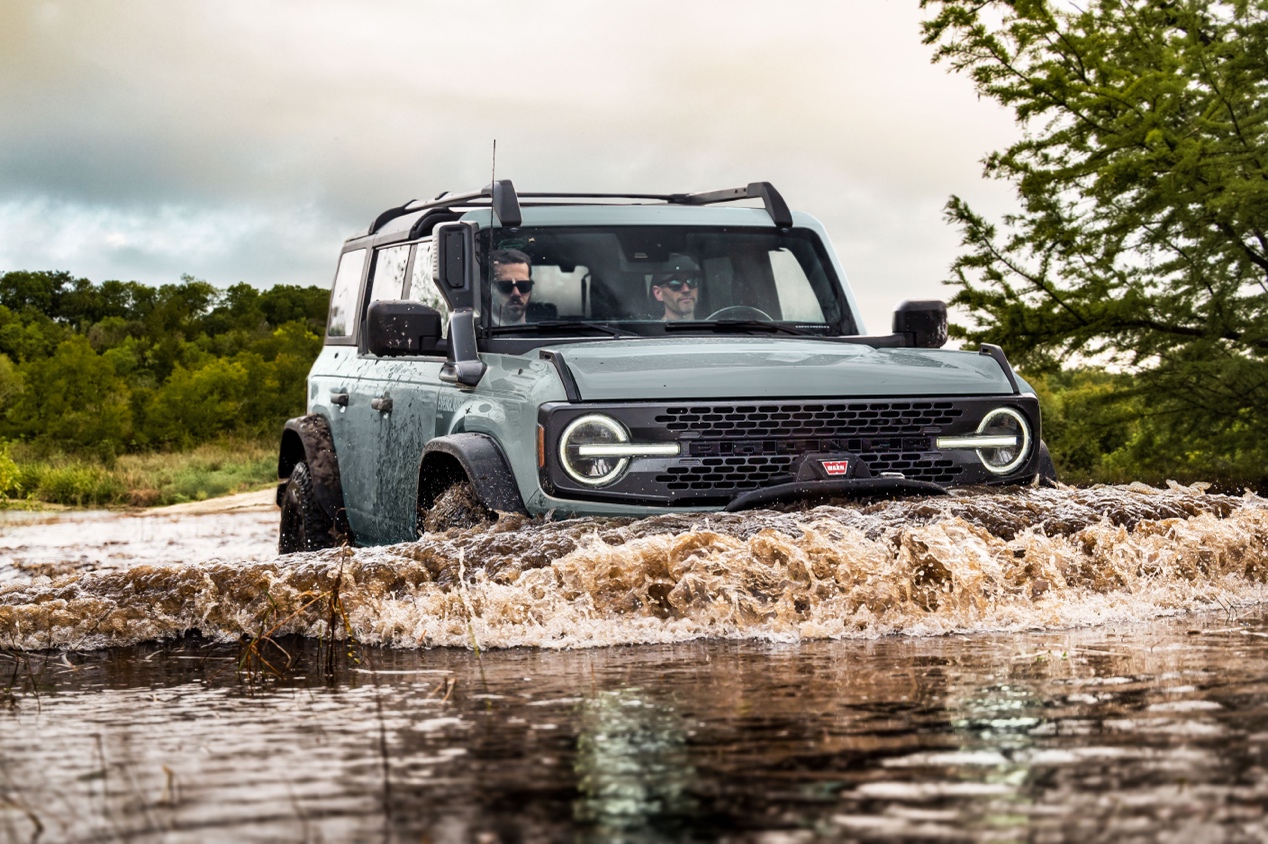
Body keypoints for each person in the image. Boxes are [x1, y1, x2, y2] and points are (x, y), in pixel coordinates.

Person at [489, 248, 533, 325]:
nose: (516, 293)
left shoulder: (545, 333)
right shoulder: (475, 331)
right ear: (490, 288)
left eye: (524, 286)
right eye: (506, 286)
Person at [650, 254, 700, 321]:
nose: (686, 289)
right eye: (676, 284)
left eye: (692, 281)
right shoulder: (650, 330)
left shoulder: (713, 327)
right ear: (658, 293)